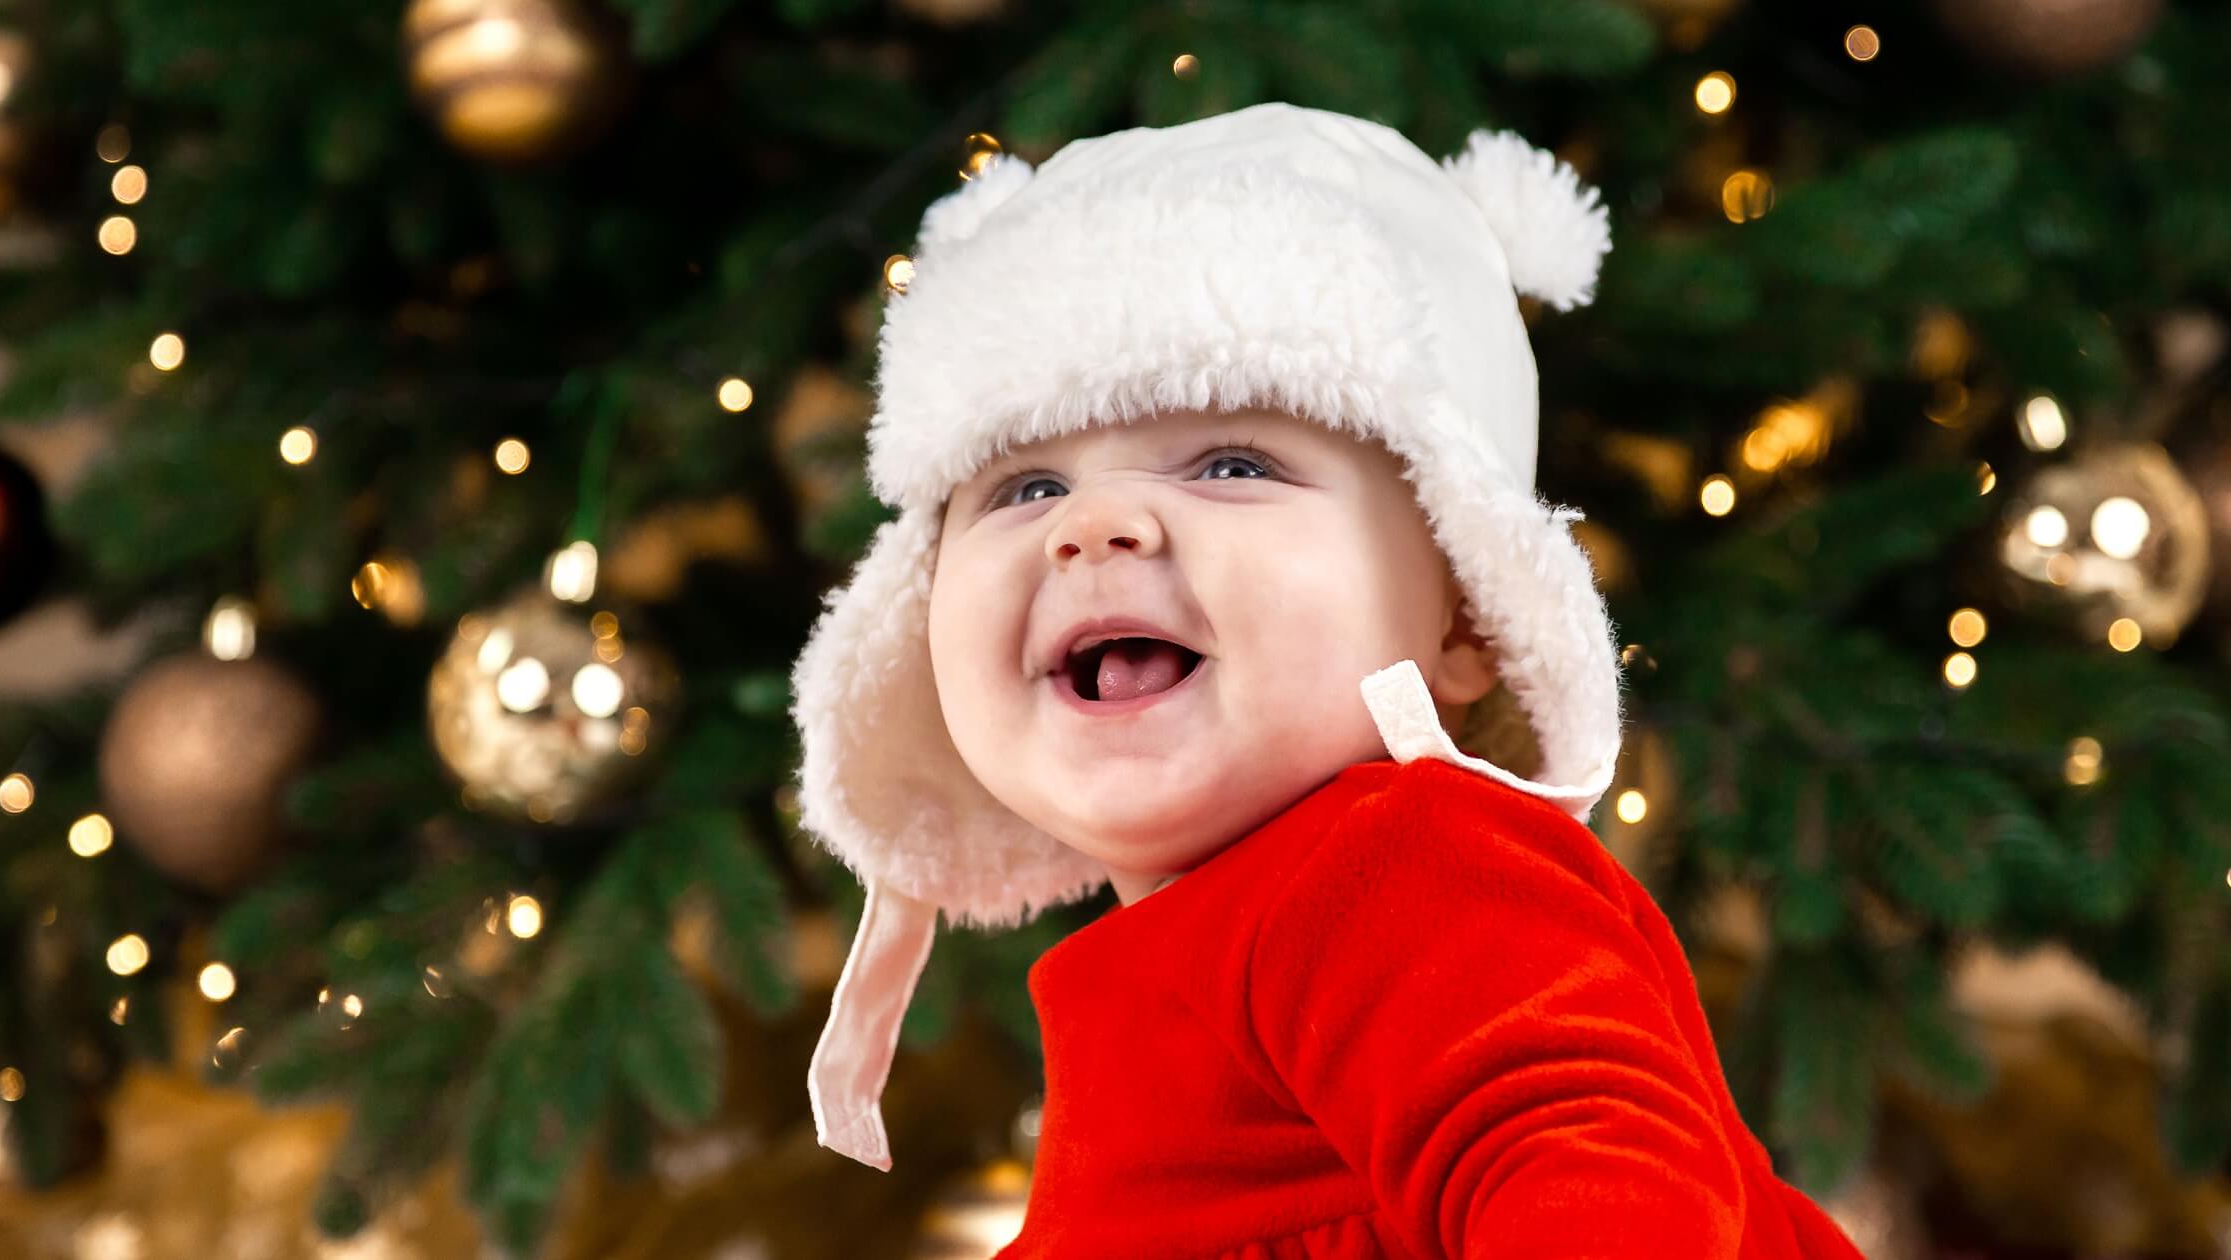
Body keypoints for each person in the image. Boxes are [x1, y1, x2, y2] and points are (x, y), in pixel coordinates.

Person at [787, 100, 1866, 1258]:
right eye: (1022, 488)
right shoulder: (1182, 958)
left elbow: (1595, 1169)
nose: (1091, 525)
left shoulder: (1401, 859)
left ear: (1468, 618)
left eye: (1232, 463)